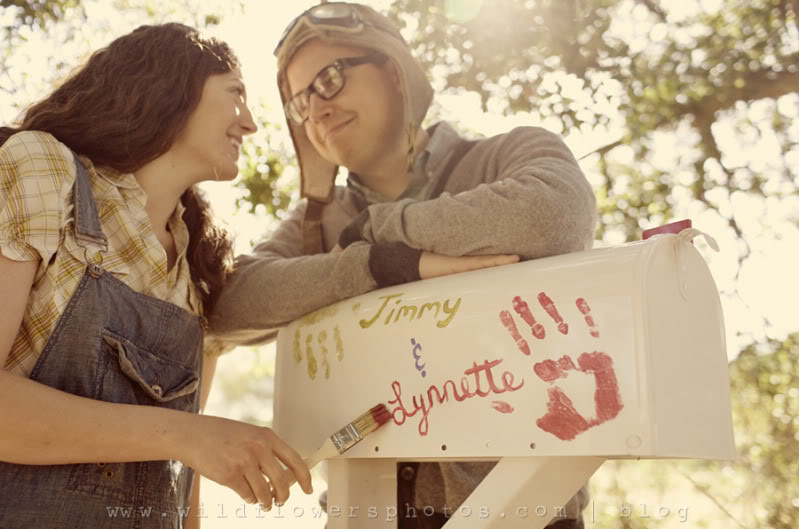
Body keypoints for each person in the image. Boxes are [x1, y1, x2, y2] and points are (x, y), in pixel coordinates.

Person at [208, 3, 597, 529]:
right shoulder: (314, 223)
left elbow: (553, 213)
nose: (316, 110)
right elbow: (232, 302)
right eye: (300, 102)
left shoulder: (510, 154)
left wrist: (376, 229)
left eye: (329, 79)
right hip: (363, 514)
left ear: (394, 71)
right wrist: (371, 267)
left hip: (526, 511)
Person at [0, 23, 312, 529]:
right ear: (173, 86)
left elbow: (182, 489)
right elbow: (188, 440)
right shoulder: (44, 168)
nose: (251, 123)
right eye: (236, 93)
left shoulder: (197, 274)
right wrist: (186, 434)